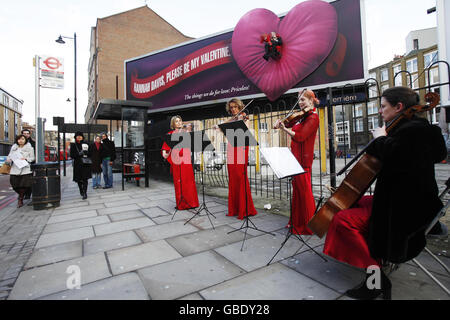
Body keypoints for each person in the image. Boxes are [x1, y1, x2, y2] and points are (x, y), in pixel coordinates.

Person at [322, 86, 447, 300]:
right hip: (409, 200)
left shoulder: (413, 131)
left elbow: (398, 156)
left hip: (405, 210)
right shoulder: (419, 129)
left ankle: (376, 279)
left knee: (343, 220)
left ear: (399, 107)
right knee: (356, 203)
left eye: (383, 106)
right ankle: (372, 260)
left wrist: (380, 138)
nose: (380, 111)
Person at [274, 90, 319, 234]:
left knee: (304, 193)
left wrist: (284, 129)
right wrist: (281, 123)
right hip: (295, 157)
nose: (300, 103)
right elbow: (289, 124)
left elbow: (300, 136)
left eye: (303, 100)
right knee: (298, 192)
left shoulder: (313, 117)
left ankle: (308, 225)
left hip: (303, 159)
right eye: (299, 100)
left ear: (312, 101)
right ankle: (297, 221)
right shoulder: (302, 116)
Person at [223, 98, 258, 220]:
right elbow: (223, 128)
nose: (233, 109)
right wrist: (230, 121)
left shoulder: (244, 116)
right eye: (231, 107)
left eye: (235, 107)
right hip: (231, 146)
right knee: (232, 176)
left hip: (241, 146)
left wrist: (240, 120)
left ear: (240, 107)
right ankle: (234, 208)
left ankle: (245, 208)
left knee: (240, 175)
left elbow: (245, 132)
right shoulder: (232, 118)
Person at [161, 115, 199, 210]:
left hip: (186, 160)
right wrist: (164, 153)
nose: (179, 122)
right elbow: (165, 148)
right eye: (176, 121)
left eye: (180, 121)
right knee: (179, 182)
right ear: (173, 124)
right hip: (177, 160)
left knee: (188, 181)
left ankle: (192, 203)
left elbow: (193, 145)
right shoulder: (170, 134)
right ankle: (181, 204)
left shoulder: (186, 132)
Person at [6, 135, 35, 208]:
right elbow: (9, 156)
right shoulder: (14, 148)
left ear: (25, 140)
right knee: (14, 184)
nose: (20, 140)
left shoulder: (30, 148)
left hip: (25, 169)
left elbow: (32, 158)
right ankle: (21, 195)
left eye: (22, 139)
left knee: (24, 185)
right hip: (15, 168)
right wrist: (9, 160)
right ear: (17, 140)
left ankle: (20, 199)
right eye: (19, 139)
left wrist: (25, 158)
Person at [69, 132, 92, 200]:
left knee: (85, 178)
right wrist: (79, 154)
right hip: (78, 164)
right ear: (75, 137)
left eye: (80, 136)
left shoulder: (87, 144)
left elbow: (91, 153)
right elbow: (72, 155)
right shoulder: (73, 145)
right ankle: (81, 190)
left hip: (85, 163)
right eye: (78, 136)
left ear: (82, 137)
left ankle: (85, 193)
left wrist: (87, 153)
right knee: (79, 179)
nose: (79, 137)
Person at [21, 129, 35, 201]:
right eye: (24, 133)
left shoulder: (33, 143)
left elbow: (33, 156)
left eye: (27, 133)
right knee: (19, 181)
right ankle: (21, 194)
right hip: (19, 166)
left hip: (29, 165)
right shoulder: (17, 143)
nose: (26, 135)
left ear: (29, 135)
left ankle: (27, 194)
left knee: (28, 180)